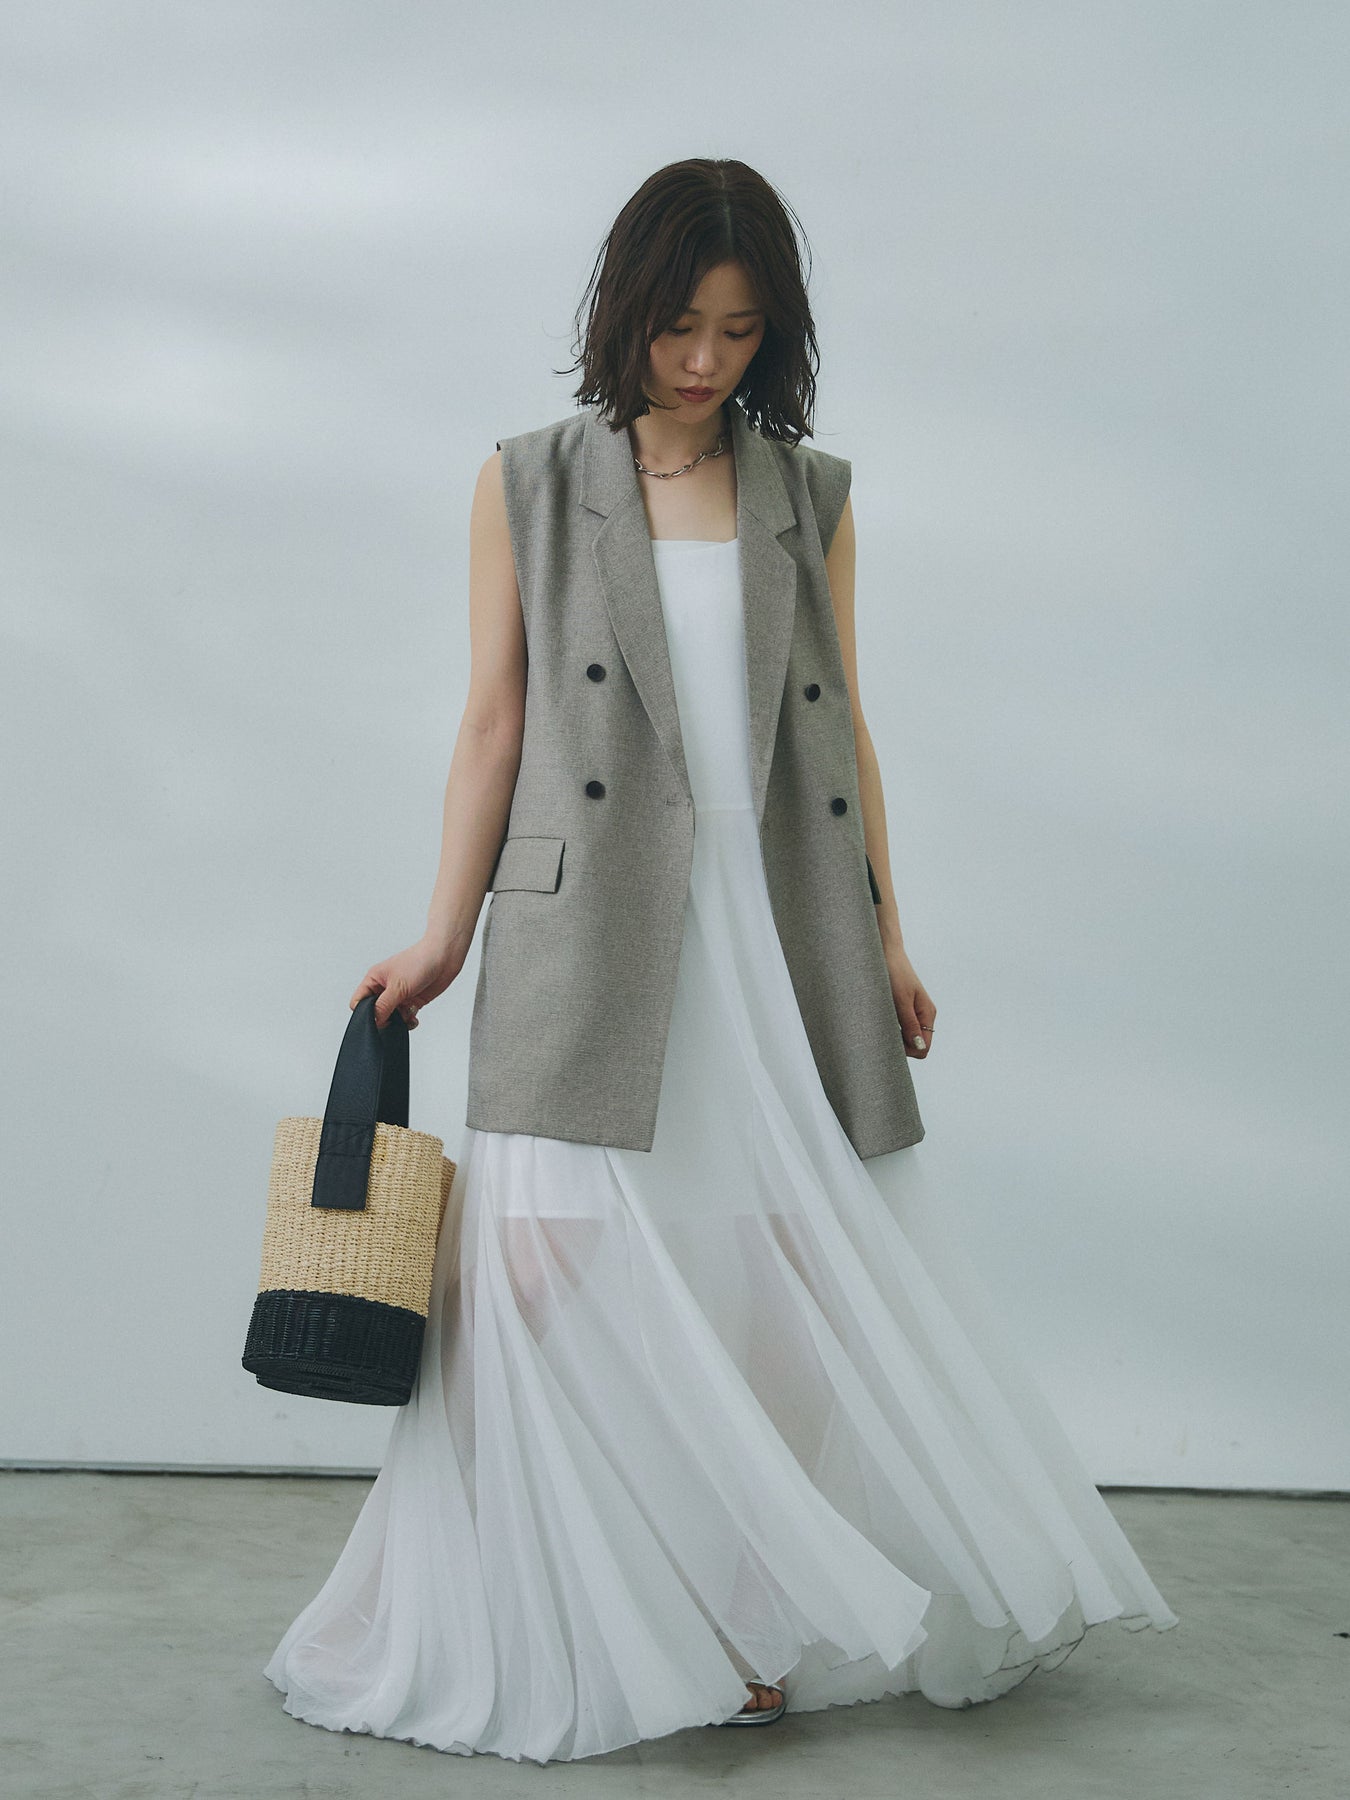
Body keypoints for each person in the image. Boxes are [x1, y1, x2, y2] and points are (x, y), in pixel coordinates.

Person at [263, 158, 1179, 1765]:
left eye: (740, 332)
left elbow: (842, 726)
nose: (703, 361)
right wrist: (445, 933)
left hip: (768, 938)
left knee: (781, 1280)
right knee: (523, 1277)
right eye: (679, 325)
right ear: (624, 311)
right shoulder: (528, 480)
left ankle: (753, 1615)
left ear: (778, 335)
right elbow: (492, 723)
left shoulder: (805, 492)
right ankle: (530, 1597)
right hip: (586, 931)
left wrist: (885, 931)